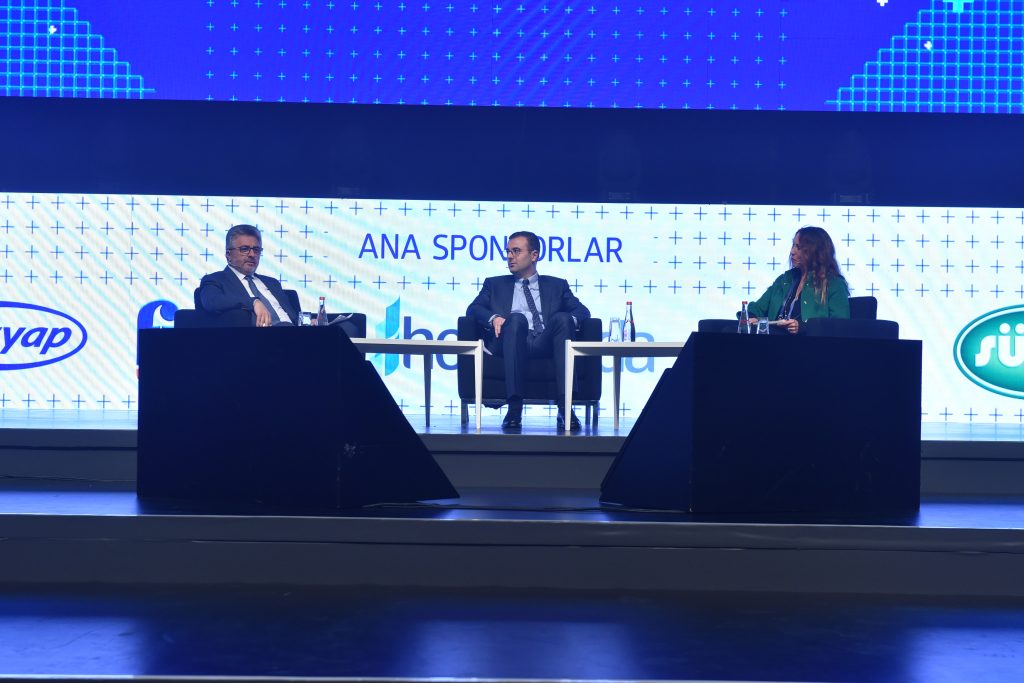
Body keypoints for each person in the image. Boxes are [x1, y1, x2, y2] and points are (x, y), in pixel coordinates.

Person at [467, 230, 590, 431]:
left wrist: (569, 323)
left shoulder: (557, 285)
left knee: (563, 318)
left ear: (534, 255)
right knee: (516, 319)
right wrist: (494, 318)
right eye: (508, 251)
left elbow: (582, 311)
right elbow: (473, 309)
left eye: (516, 251)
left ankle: (565, 408)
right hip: (512, 339)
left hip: (544, 341)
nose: (509, 256)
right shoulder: (494, 284)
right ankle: (514, 408)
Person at [747, 226, 850, 334]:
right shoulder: (784, 279)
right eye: (793, 245)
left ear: (815, 252)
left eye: (799, 248)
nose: (792, 251)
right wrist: (752, 317)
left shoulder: (835, 284)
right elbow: (757, 308)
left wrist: (802, 327)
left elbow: (840, 327)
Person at [198, 224, 299, 327]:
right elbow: (212, 302)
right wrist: (253, 302)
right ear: (228, 255)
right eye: (244, 249)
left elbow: (295, 317)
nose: (252, 254)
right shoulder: (215, 280)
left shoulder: (273, 283)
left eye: (256, 250)